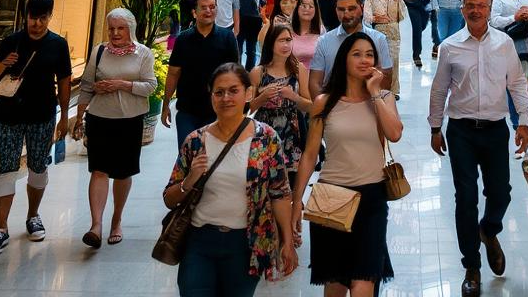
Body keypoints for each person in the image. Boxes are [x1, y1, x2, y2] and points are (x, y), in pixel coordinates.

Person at [428, 0, 528, 297]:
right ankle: (471, 266)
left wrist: (524, 121)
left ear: (489, 9)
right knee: (466, 198)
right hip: (461, 131)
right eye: (469, 6)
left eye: (481, 6)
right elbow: (439, 88)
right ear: (462, 10)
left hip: (496, 128)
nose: (475, 11)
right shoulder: (450, 46)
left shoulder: (504, 43)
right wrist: (435, 127)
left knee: (501, 193)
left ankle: (489, 229)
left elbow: (516, 82)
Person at [164, 63, 296, 295]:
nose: (226, 98)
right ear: (212, 96)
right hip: (199, 242)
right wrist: (190, 179)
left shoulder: (266, 139)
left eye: (233, 90)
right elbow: (169, 198)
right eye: (219, 92)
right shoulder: (196, 141)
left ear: (248, 93)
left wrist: (286, 241)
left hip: (245, 245)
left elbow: (280, 193)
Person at [291, 32, 402, 295]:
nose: (364, 60)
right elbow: (309, 155)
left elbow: (395, 134)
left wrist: (374, 91)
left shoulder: (383, 97)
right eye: (357, 54)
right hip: (332, 196)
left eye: (369, 54)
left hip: (373, 197)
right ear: (344, 60)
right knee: (336, 285)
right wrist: (297, 201)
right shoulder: (324, 102)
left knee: (364, 283)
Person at [73, 8, 156, 248]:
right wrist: (80, 115)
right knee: (99, 170)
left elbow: (150, 86)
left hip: (130, 120)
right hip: (100, 118)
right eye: (111, 28)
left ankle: (116, 220)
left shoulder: (143, 54)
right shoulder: (99, 51)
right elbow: (87, 85)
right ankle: (96, 226)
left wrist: (122, 85)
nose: (115, 33)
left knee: (122, 172)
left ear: (130, 29)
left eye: (120, 28)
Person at [0, 0, 71, 254]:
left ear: (49, 17)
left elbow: (64, 80)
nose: (35, 23)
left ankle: (33, 215)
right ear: (25, 16)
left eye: (41, 18)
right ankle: (1, 228)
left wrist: (64, 117)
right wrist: (3, 65)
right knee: (7, 167)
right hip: (8, 114)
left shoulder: (58, 45)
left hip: (42, 114)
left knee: (38, 165)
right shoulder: (11, 41)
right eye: (31, 17)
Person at [162, 0, 240, 146]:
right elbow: (173, 74)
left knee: (212, 162)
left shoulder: (227, 38)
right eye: (203, 7)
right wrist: (166, 104)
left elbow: (235, 75)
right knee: (187, 159)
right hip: (187, 111)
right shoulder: (183, 39)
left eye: (212, 7)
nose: (208, 11)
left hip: (218, 110)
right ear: (194, 13)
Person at [249, 24, 312, 185]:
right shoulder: (258, 72)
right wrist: (263, 97)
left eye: (289, 40)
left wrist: (294, 97)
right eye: (281, 41)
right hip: (264, 134)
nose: (286, 45)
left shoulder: (299, 70)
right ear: (271, 43)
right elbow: (247, 108)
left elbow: (310, 106)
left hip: (293, 135)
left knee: (288, 185)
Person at [309, 0, 392, 98]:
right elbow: (315, 82)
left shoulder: (378, 39)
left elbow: (386, 78)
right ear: (336, 10)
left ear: (361, 8)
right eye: (341, 9)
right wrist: (325, 110)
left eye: (351, 9)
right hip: (333, 107)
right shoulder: (324, 41)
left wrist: (376, 105)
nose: (346, 14)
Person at [490, 0, 528, 144]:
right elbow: (494, 21)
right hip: (510, 46)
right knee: (512, 84)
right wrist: (514, 17)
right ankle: (517, 121)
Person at [363, 0, 406, 99]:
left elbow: (402, 16)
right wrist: (378, 18)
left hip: (394, 31)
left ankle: (393, 90)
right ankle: (378, 87)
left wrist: (394, 4)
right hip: (379, 31)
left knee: (394, 60)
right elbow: (367, 17)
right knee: (379, 61)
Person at [235, 0, 268, 71]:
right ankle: (243, 71)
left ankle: (247, 71)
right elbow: (263, 1)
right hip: (244, 18)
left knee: (249, 48)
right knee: (243, 47)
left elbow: (263, 2)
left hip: (250, 19)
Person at [290, 0, 322, 71]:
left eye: (311, 6)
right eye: (303, 5)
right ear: (297, 8)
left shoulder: (321, 30)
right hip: (292, 78)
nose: (307, 9)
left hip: (315, 78)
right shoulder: (288, 30)